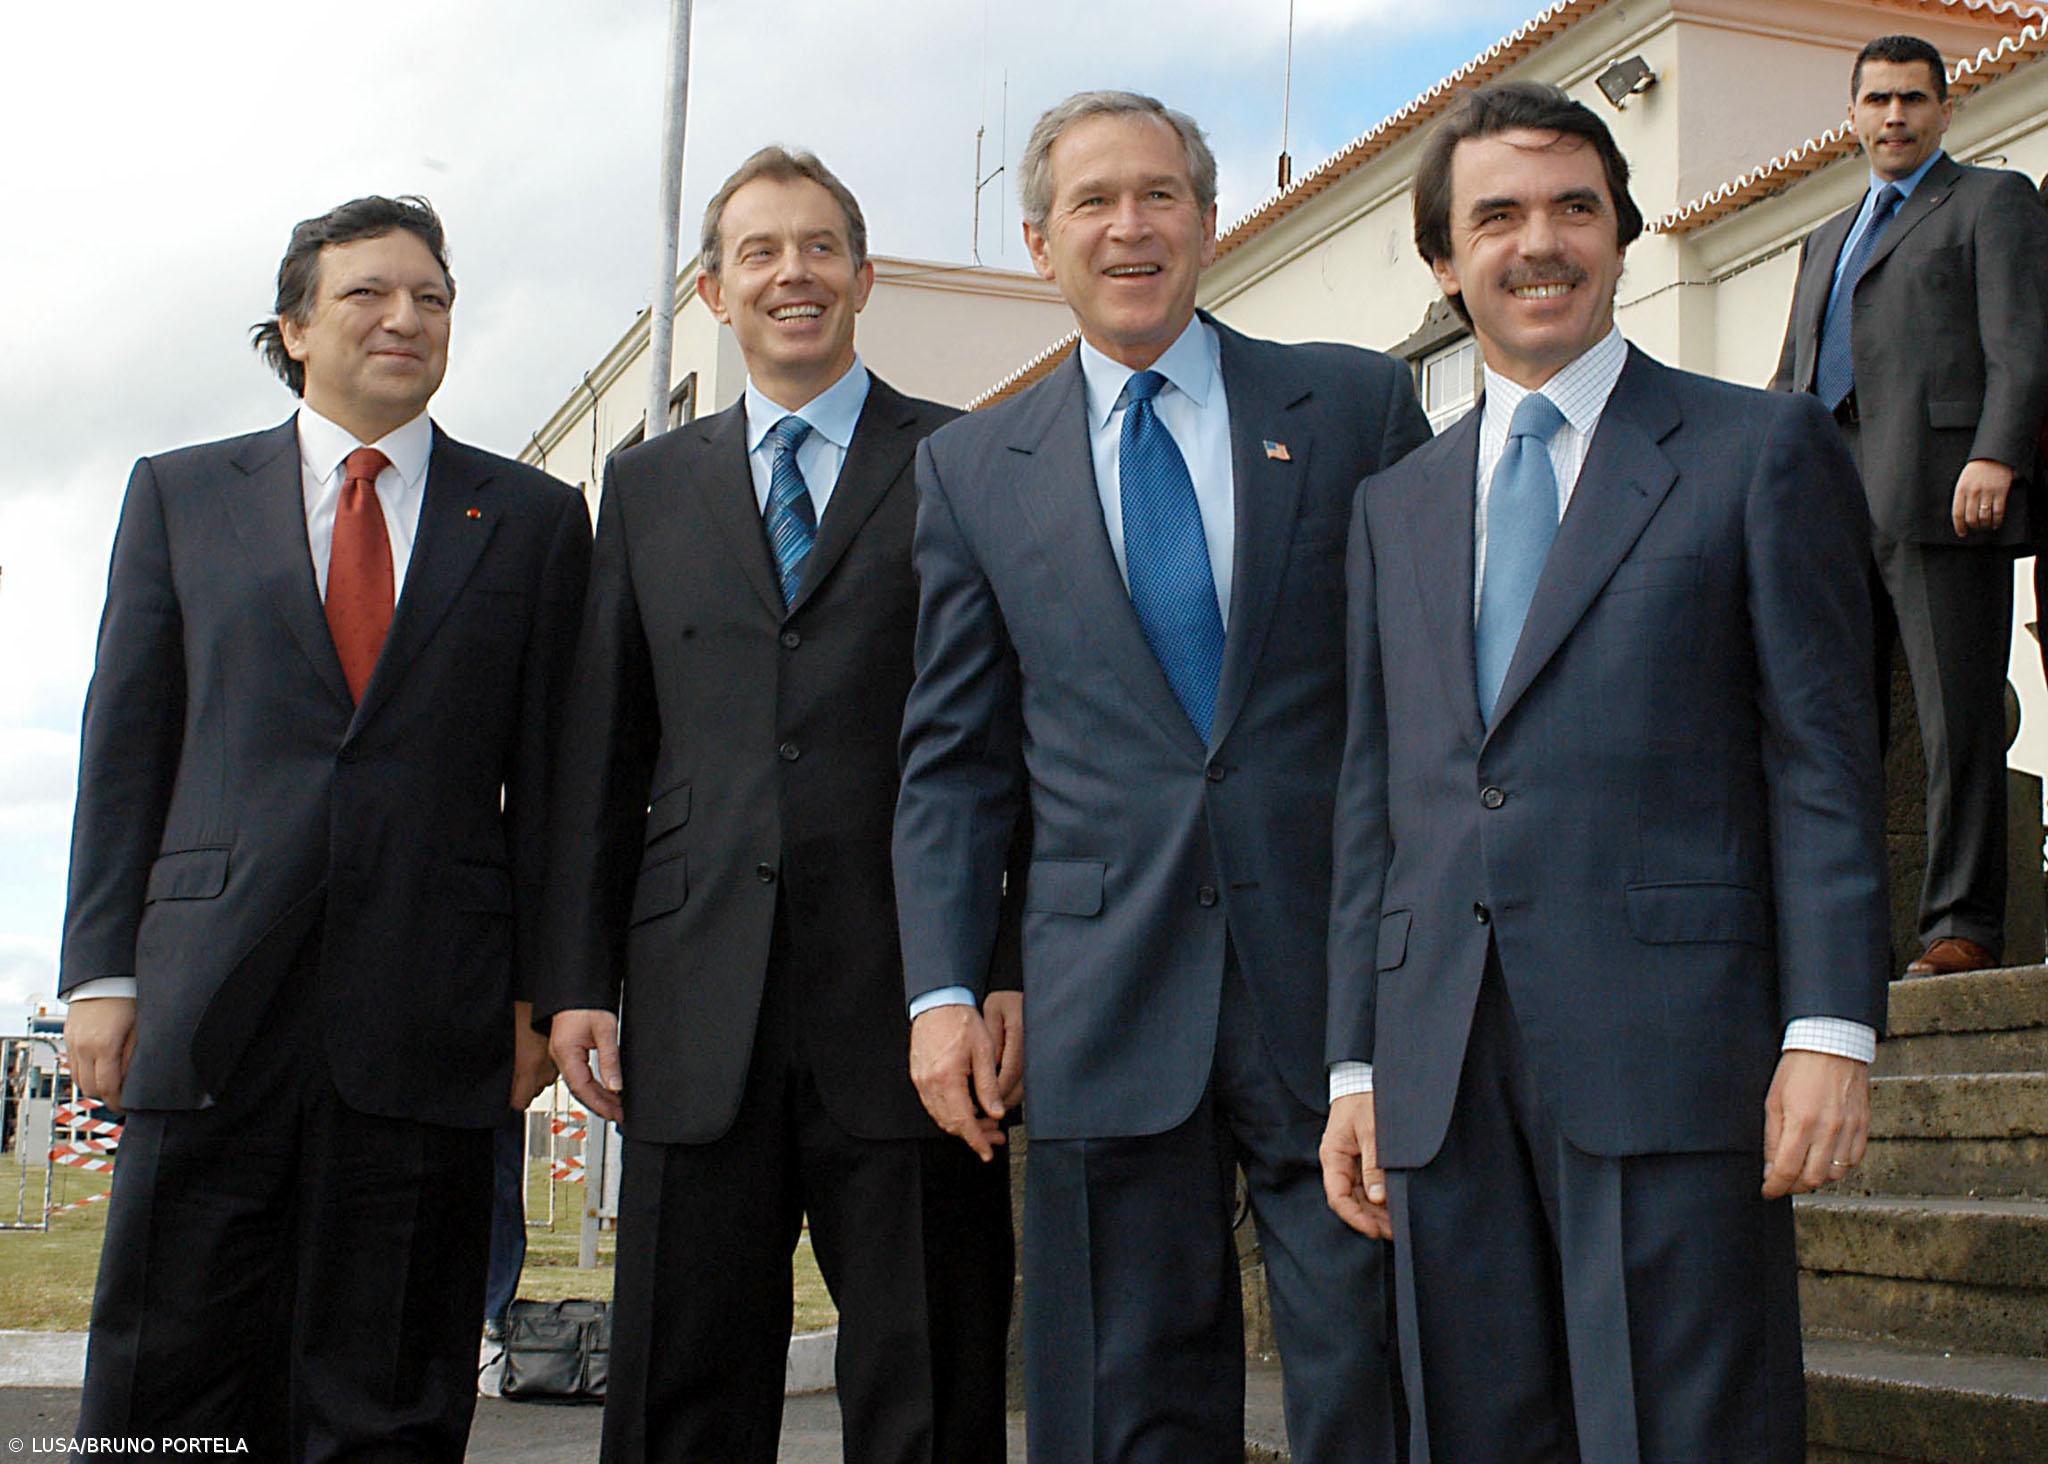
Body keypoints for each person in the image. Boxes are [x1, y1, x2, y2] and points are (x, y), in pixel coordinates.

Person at [1320, 81, 1890, 1462]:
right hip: (1440, 1057)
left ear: (1622, 236)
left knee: (1686, 1431)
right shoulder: (1393, 507)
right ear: (1445, 265)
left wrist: (1830, 1030)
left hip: (1675, 1050)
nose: (1542, 243)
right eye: (1498, 216)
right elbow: (1374, 795)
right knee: (1475, 1427)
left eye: (1577, 208)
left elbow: (1825, 756)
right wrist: (1352, 1060)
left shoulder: (1759, 450)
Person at [894, 90, 1429, 1464]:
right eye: (1093, 203)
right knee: (1120, 1394)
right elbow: (955, 760)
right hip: (1100, 996)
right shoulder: (968, 470)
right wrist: (948, 986)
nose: (1129, 227)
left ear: (1206, 218)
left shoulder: (1359, 406)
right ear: (1039, 241)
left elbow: (1426, 693)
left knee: (1370, 1373)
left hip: (1338, 985)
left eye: (1159, 196)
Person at [60, 194, 589, 1458]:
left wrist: (543, 991)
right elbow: (125, 748)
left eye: (433, 298)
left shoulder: (526, 519)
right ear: (294, 327)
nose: (405, 318)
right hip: (205, 1007)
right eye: (368, 294)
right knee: (169, 1370)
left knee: (389, 1381)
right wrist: (102, 975)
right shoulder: (181, 498)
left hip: (432, 1013)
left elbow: (559, 782)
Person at [540, 146, 1015, 1464]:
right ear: (714, 290)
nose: (791, 275)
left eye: (818, 249)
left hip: (917, 1005)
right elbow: (604, 747)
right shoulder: (646, 486)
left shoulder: (970, 463)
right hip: (695, 1010)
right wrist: (578, 979)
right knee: (681, 1385)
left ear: (862, 279)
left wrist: (1002, 968)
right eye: (761, 252)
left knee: (931, 1377)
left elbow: (1017, 743)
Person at [1771, 33, 2048, 976]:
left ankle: (1960, 926)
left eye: (1915, 100)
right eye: (1879, 100)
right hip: (1828, 511)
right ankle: (1841, 937)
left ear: (1944, 111)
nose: (1896, 116)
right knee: (1832, 728)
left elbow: (2023, 340)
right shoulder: (1821, 240)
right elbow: (1789, 386)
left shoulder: (1992, 202)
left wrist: (1998, 453)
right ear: (1851, 114)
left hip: (1942, 497)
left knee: (1956, 719)